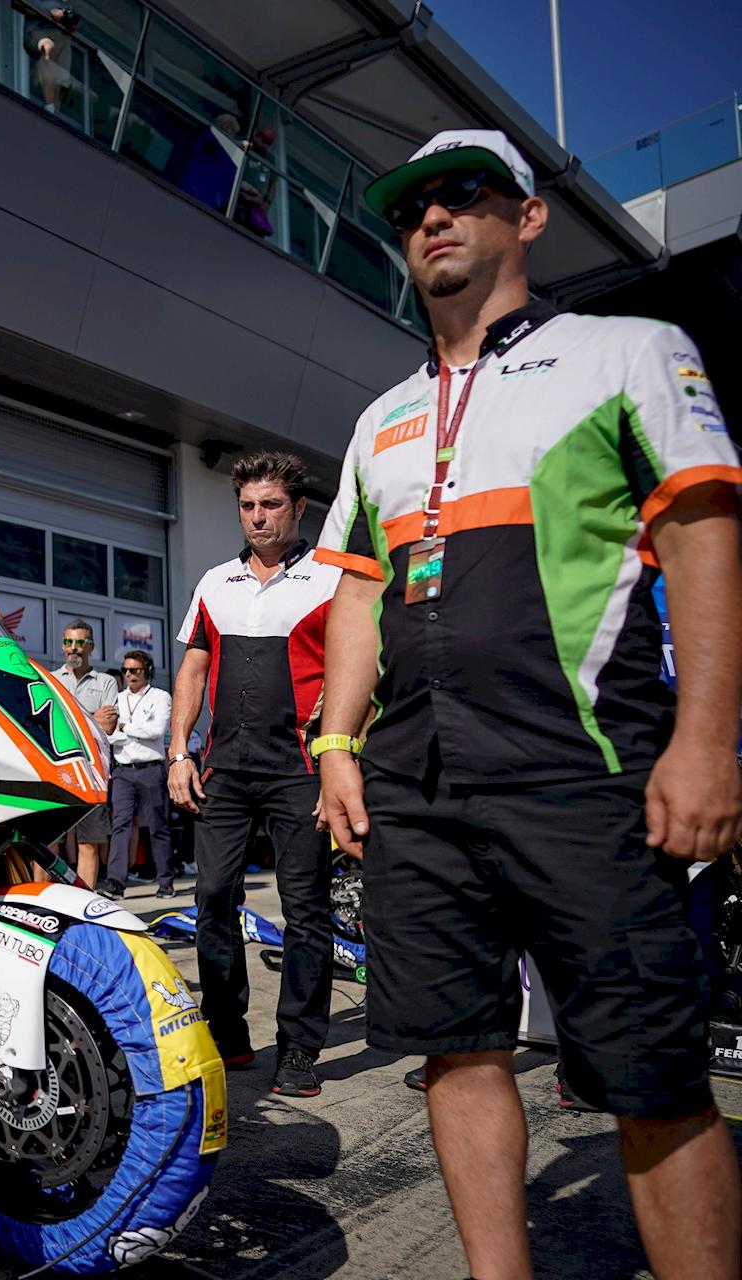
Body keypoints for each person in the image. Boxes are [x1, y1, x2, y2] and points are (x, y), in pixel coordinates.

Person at [316, 128, 742, 1279]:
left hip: (585, 769)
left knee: (652, 1075)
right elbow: (355, 594)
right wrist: (337, 741)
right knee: (455, 1050)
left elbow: (702, 536)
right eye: (412, 207)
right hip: (417, 785)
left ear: (529, 215)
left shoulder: (629, 350)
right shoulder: (378, 417)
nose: (433, 218)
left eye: (464, 193)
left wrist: (705, 742)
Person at [169, 450, 340, 1097]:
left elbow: (359, 667)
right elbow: (193, 669)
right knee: (213, 897)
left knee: (306, 909)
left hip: (300, 769)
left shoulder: (329, 578)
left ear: (299, 508)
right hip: (226, 770)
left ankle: (299, 1047)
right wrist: (178, 752)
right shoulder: (215, 583)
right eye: (248, 506)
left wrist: (341, 758)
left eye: (271, 505)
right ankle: (227, 1033)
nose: (258, 517)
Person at [51, 619, 119, 886]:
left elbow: (108, 727)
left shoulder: (106, 682)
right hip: (56, 770)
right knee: (48, 844)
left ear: (91, 646)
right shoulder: (50, 680)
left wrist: (67, 721)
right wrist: (91, 718)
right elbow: (46, 725)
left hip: (93, 772)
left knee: (88, 843)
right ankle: (42, 902)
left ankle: (86, 902)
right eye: (68, 642)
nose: (73, 648)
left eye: (80, 643)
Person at [103, 650, 174, 897]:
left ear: (147, 671)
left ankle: (165, 881)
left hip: (150, 769)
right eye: (125, 670)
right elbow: (109, 735)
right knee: (120, 826)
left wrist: (123, 727)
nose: (129, 675)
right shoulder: (117, 698)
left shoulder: (161, 697)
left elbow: (156, 731)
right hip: (123, 771)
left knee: (157, 826)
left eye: (135, 670)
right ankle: (115, 883)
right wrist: (130, 731)